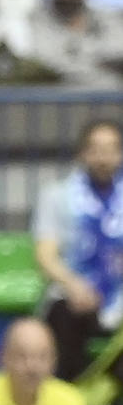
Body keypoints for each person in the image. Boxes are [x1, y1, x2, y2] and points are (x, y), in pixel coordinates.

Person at [33, 119, 123, 379]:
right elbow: (46, 256)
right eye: (96, 149)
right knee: (64, 314)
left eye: (111, 149)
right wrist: (74, 285)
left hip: (119, 297)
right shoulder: (57, 195)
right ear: (83, 153)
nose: (103, 158)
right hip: (74, 293)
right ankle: (67, 394)